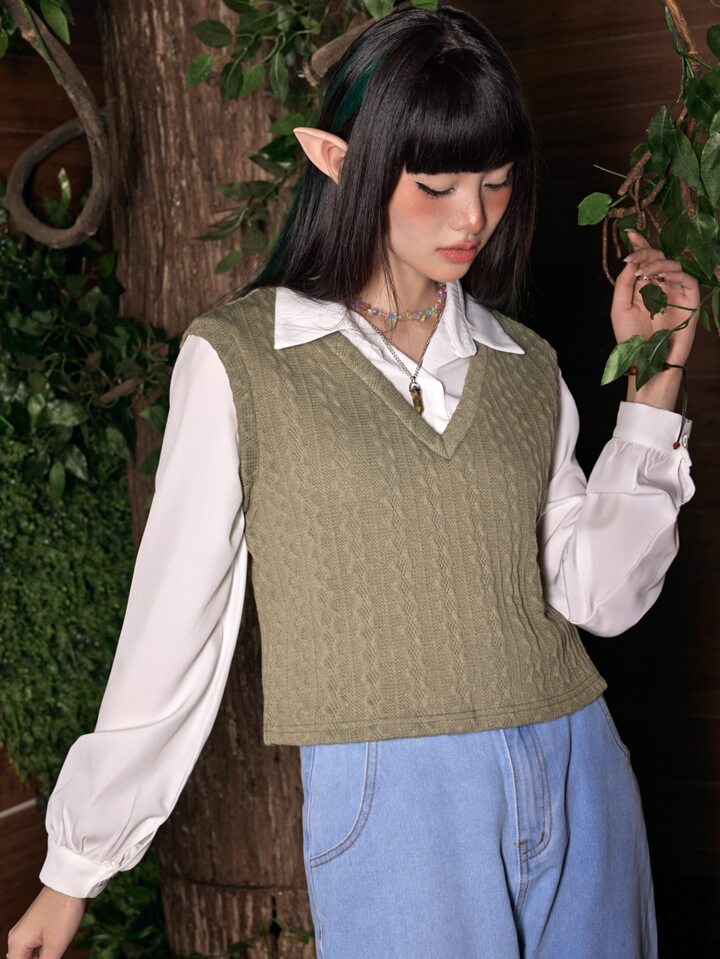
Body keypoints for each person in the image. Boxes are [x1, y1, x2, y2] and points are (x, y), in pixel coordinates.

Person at [8, 5, 699, 958]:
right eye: (436, 184)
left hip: (580, 764)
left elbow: (598, 596)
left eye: (497, 179)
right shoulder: (243, 359)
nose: (473, 217)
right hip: (395, 795)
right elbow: (174, 626)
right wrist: (74, 868)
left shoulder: (523, 363)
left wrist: (654, 385)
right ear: (334, 158)